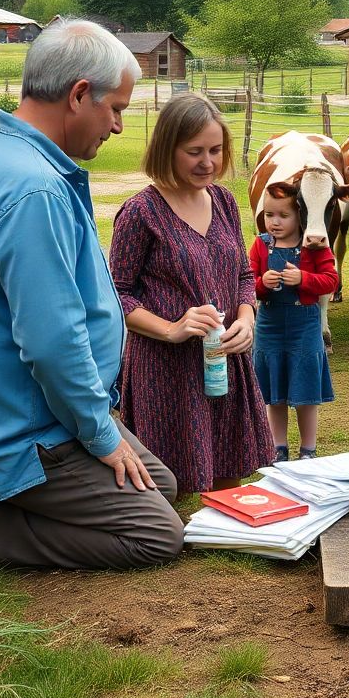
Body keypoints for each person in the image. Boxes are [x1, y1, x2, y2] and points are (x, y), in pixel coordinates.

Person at [0, 19, 184, 592]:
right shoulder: (34, 189)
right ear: (79, 94)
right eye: (116, 109)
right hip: (29, 427)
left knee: (163, 484)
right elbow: (52, 341)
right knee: (157, 533)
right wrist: (100, 433)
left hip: (4, 410)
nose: (116, 125)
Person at [109, 92, 273, 494]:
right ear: (168, 148)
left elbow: (242, 272)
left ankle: (227, 527)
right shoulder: (140, 213)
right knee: (167, 485)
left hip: (223, 357)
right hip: (165, 368)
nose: (208, 162)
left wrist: (247, 319)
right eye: (194, 151)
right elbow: (116, 294)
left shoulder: (224, 200)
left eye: (216, 150)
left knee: (228, 475)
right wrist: (171, 328)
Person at [248, 189, 339, 461]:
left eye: (283, 215)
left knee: (306, 391)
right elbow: (246, 283)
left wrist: (304, 279)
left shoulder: (316, 247)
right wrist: (262, 285)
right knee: (274, 392)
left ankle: (308, 449)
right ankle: (278, 447)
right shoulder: (260, 245)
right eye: (269, 214)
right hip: (269, 324)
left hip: (305, 325)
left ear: (301, 215)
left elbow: (331, 281)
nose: (274, 221)